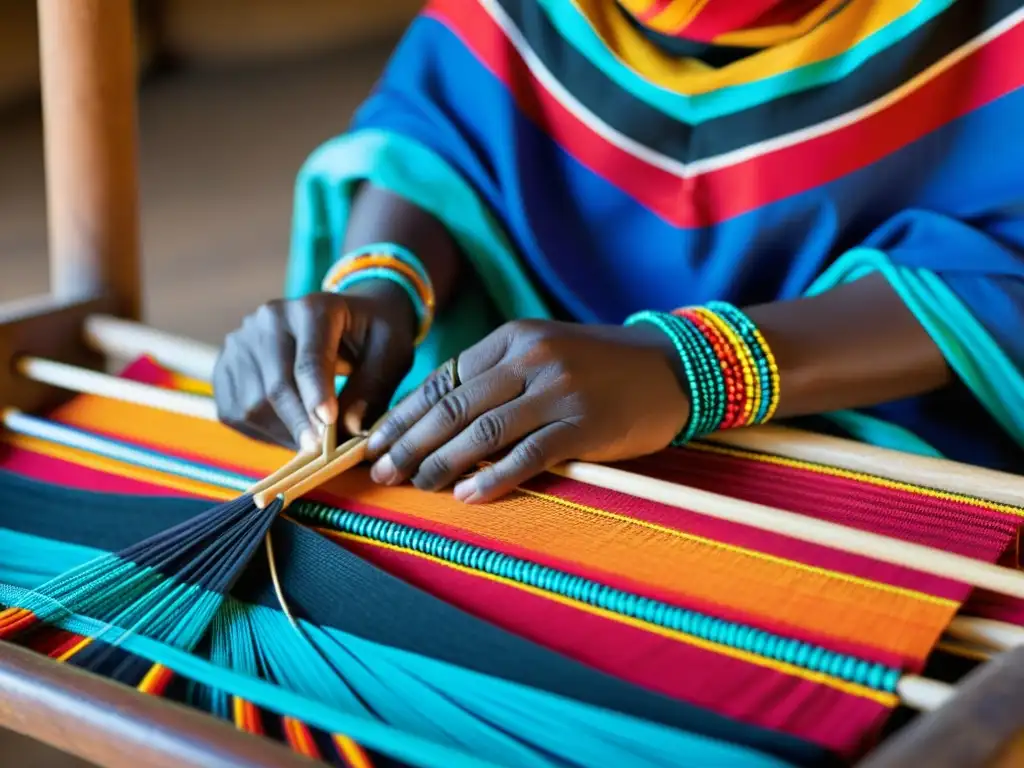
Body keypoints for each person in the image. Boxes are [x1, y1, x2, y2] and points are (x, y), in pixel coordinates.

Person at [213, 0, 1024, 504]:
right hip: (540, 461)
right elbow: (446, 125)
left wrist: (691, 367)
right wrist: (381, 283)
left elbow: (1003, 259)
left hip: (867, 470)